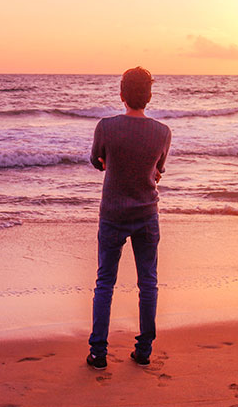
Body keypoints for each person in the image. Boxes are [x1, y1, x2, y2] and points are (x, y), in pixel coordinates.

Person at [86, 67, 172, 370]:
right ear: (148, 96)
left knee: (105, 282)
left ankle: (98, 353)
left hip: (112, 213)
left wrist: (112, 163)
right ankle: (145, 349)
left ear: (122, 94)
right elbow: (158, 169)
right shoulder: (162, 132)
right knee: (148, 282)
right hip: (147, 212)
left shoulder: (106, 127)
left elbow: (97, 161)